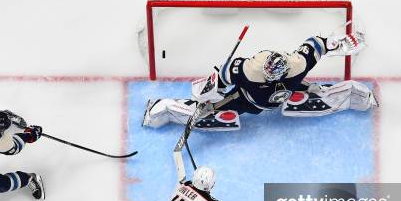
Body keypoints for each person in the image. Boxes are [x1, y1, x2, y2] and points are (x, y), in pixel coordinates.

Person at [142, 31, 378, 130]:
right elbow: (221, 78)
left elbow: (316, 44)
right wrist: (210, 91)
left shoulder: (297, 64)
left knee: (320, 94)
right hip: (247, 101)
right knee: (206, 110)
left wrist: (337, 42)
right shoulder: (247, 69)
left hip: (288, 92)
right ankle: (162, 110)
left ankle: (360, 98)